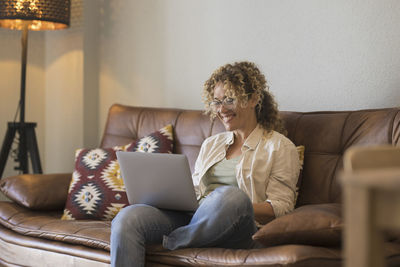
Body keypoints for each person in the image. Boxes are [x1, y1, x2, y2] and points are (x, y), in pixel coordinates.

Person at [110, 61, 301, 267]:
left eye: (229, 100)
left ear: (254, 98)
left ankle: (172, 241)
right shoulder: (212, 144)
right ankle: (184, 236)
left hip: (239, 229)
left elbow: (281, 208)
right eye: (217, 102)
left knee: (231, 196)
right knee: (128, 219)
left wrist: (230, 205)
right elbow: (194, 188)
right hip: (194, 218)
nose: (222, 109)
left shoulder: (279, 147)